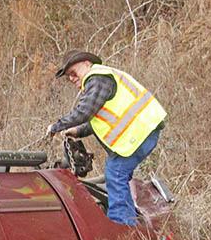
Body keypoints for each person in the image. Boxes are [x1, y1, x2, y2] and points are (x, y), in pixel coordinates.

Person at [46, 50, 167, 226]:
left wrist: (57, 126)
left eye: (73, 73)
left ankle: (121, 226)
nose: (72, 78)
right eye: (68, 77)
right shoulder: (101, 80)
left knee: (115, 173)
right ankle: (128, 219)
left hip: (140, 132)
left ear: (87, 64)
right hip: (144, 131)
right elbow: (102, 118)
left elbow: (85, 111)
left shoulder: (97, 79)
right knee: (119, 175)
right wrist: (78, 131)